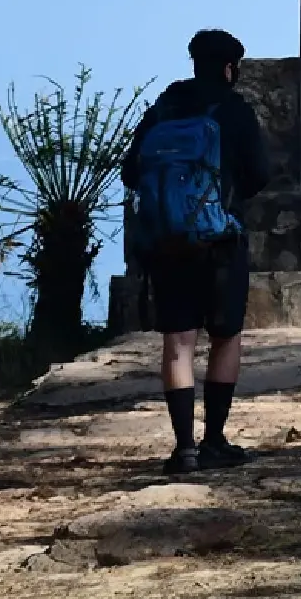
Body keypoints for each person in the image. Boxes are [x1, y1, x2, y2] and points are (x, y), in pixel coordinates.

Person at [122, 29, 271, 476]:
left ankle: (183, 448)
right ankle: (214, 441)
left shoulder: (164, 108)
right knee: (225, 337)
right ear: (230, 67)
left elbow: (132, 171)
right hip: (220, 241)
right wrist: (225, 199)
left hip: (166, 243)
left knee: (178, 342)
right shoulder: (235, 109)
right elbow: (260, 173)